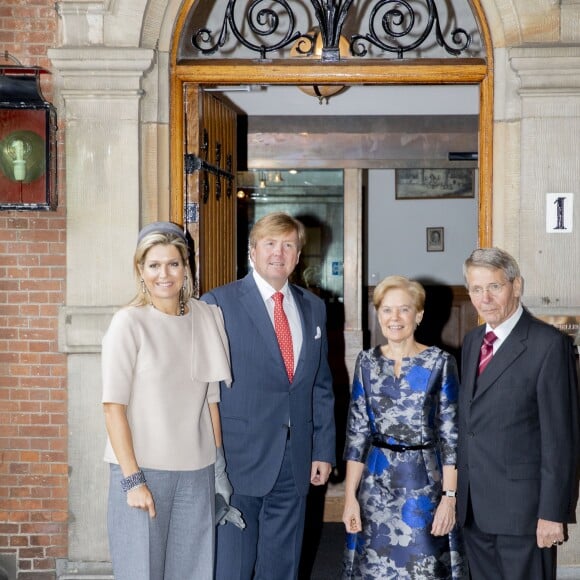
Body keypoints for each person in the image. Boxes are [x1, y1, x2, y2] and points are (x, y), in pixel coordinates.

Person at [101, 221, 241, 580]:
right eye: (154, 265)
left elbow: (212, 400)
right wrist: (133, 480)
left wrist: (219, 468)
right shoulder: (127, 323)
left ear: (186, 267)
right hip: (142, 468)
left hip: (197, 471)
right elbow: (113, 407)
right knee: (140, 572)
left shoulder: (208, 317)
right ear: (140, 271)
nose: (164, 274)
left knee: (194, 572)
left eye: (173, 263)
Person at [201, 211, 336, 580]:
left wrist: (323, 449)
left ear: (297, 256)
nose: (279, 252)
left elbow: (320, 386)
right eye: (271, 243)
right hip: (238, 458)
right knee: (233, 567)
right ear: (252, 251)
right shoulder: (218, 303)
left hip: (296, 460)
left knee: (282, 566)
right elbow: (204, 388)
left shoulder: (314, 308)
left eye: (289, 245)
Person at [458, 247, 579, 580]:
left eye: (494, 287)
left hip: (525, 514)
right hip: (474, 510)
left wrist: (553, 513)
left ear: (516, 286)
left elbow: (561, 438)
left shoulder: (549, 345)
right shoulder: (471, 342)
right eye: (476, 288)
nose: (485, 297)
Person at [342, 275, 467, 579]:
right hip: (374, 486)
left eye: (404, 309)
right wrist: (349, 498)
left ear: (419, 315)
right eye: (387, 310)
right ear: (378, 313)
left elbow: (452, 438)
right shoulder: (366, 362)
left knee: (424, 569)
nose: (394, 318)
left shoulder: (440, 362)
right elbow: (357, 433)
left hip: (423, 487)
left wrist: (449, 499)